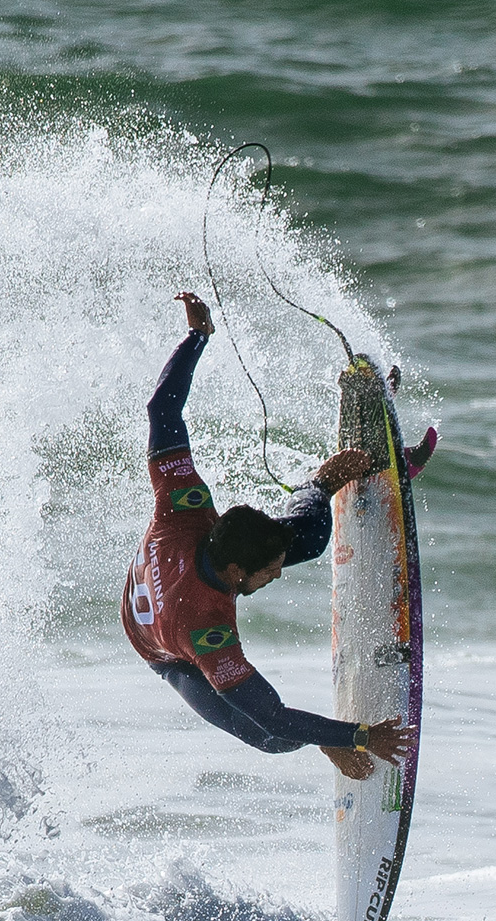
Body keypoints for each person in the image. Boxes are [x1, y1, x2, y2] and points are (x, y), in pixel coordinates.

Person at [126, 292, 420, 780]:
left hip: (177, 569)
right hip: (162, 648)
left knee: (307, 539)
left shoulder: (183, 503)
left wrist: (197, 338)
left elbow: (162, 412)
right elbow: (271, 715)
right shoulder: (207, 634)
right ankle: (323, 743)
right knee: (269, 739)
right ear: (237, 572)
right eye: (269, 572)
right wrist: (358, 736)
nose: (278, 576)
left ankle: (319, 484)